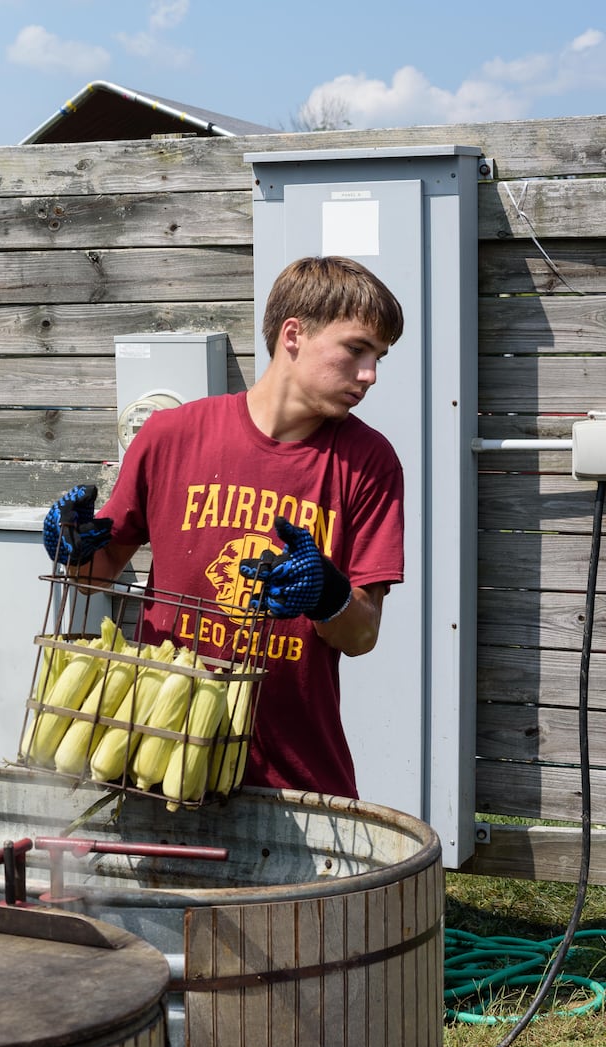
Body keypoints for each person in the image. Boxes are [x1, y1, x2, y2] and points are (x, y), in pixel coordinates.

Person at [43, 256, 405, 797]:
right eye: (356, 349)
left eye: (379, 357)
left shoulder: (370, 462)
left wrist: (328, 593)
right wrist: (67, 547)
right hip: (156, 760)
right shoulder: (170, 437)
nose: (370, 374)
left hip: (295, 777)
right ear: (294, 335)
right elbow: (95, 574)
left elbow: (363, 635)